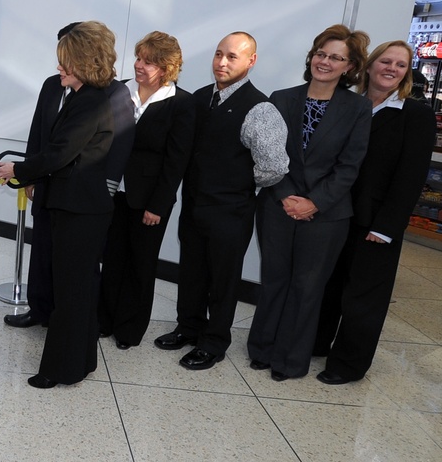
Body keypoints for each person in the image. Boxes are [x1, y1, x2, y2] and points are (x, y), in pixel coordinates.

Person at [0, 21, 123, 388]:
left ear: (82, 61)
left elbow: (59, 153)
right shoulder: (88, 97)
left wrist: (17, 168)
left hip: (80, 210)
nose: (59, 68)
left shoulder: (91, 102)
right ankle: (81, 362)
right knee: (77, 291)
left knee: (71, 295)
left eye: (65, 61)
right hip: (78, 206)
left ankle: (60, 370)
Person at [154, 32, 288, 371]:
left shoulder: (260, 108)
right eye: (218, 54)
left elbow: (274, 166)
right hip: (195, 204)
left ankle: (213, 343)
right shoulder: (199, 98)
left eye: (232, 56)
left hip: (231, 210)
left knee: (223, 280)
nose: (222, 62)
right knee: (192, 271)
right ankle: (188, 328)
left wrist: (237, 183)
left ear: (251, 61)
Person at [247, 25, 371, 381]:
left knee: (307, 287)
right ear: (311, 56)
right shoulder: (281, 97)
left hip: (327, 214)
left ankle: (290, 360)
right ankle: (262, 349)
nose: (325, 62)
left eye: (336, 57)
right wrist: (287, 195)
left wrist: (313, 202)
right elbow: (267, 152)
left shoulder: (358, 108)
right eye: (321, 54)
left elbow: (350, 166)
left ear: (349, 67)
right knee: (274, 279)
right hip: (277, 204)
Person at [313, 41, 436, 385]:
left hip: (376, 222)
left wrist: (388, 226)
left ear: (406, 73)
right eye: (386, 61)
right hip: (336, 213)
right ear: (368, 66)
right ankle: (317, 344)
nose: (392, 69)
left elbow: (411, 176)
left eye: (400, 65)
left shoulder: (415, 115)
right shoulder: (347, 104)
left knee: (363, 296)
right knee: (328, 284)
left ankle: (348, 365)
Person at [4, 22, 135, 329]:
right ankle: (40, 309)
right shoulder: (53, 84)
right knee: (44, 253)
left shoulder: (112, 93)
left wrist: (107, 189)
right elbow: (40, 134)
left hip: (83, 194)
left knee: (74, 268)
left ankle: (67, 323)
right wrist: (31, 177)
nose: (61, 63)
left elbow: (120, 145)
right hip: (48, 186)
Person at [98, 31, 194, 348]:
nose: (139, 65)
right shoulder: (120, 91)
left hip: (149, 200)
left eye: (149, 62)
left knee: (140, 265)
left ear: (166, 68)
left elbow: (175, 162)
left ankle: (129, 329)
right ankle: (103, 319)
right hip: (113, 193)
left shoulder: (180, 103)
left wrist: (159, 205)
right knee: (112, 258)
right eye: (139, 58)